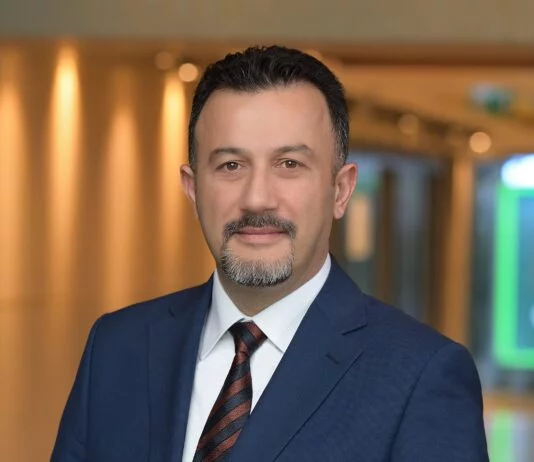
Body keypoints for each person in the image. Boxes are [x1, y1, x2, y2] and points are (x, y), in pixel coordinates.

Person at [52, 45, 489, 462]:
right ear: (193, 189)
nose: (257, 198)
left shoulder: (418, 375)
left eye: (289, 165)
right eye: (231, 166)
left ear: (341, 190)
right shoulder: (116, 348)